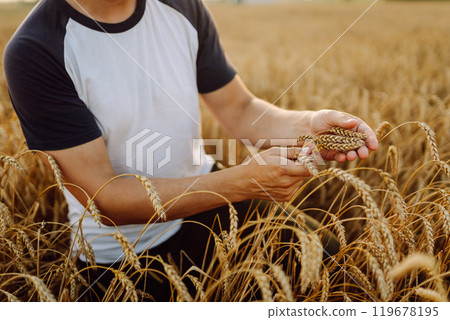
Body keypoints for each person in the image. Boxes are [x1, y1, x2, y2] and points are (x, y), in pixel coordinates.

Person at [4, 0, 378, 301]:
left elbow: (239, 108)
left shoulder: (182, 6)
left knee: (345, 268)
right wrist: (244, 183)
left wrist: (307, 126)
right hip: (122, 258)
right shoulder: (37, 50)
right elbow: (106, 198)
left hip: (214, 200)